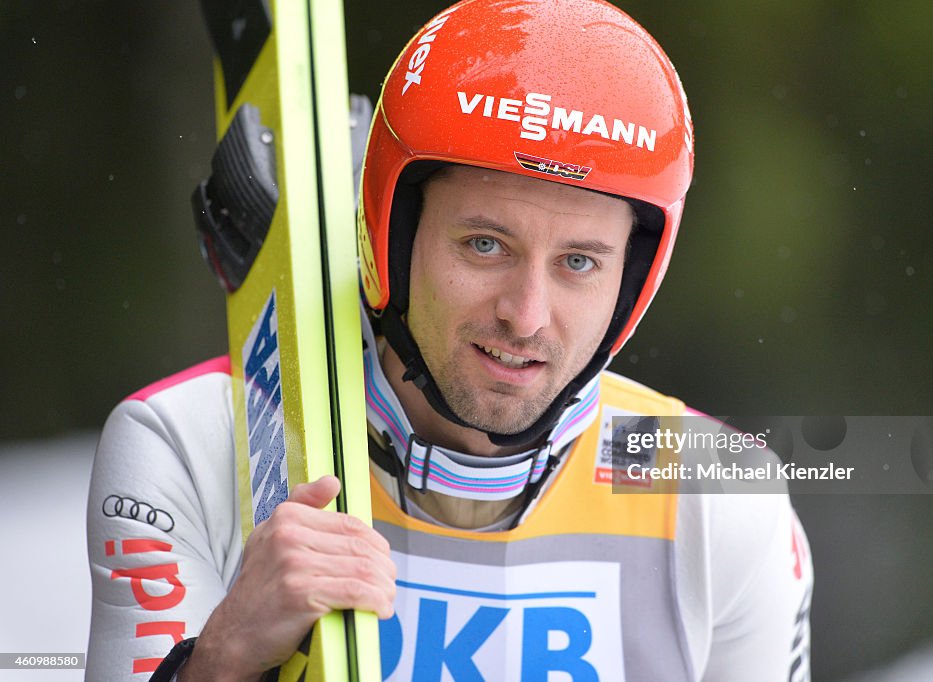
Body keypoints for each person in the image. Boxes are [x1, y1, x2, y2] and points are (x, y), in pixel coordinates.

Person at [86, 0, 813, 679]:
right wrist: (217, 660)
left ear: (633, 281)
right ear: (391, 237)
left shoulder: (718, 493)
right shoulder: (189, 439)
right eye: (485, 246)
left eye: (579, 263)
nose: (525, 315)